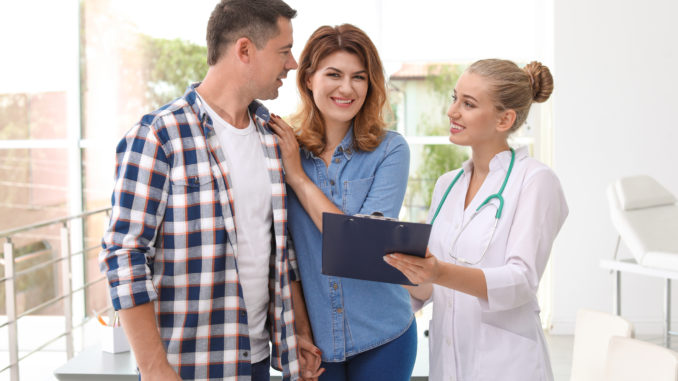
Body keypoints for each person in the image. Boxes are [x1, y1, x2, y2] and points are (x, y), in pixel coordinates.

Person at [99, 1, 323, 380]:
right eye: (284, 51)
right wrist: (155, 369)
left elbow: (280, 252)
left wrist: (297, 331)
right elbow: (124, 256)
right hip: (184, 369)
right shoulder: (159, 136)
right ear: (244, 50)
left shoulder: (272, 137)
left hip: (255, 363)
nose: (293, 64)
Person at [385, 59, 568, 381]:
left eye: (468, 104)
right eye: (455, 98)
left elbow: (521, 281)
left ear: (505, 119)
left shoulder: (536, 180)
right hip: (449, 362)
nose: (452, 112)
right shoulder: (447, 184)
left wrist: (439, 271)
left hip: (507, 366)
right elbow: (429, 289)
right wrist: (401, 266)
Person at [268, 24, 416, 381]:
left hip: (384, 334)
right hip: (315, 343)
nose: (347, 88)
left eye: (359, 77)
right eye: (333, 74)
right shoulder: (280, 147)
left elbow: (361, 246)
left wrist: (299, 180)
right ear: (307, 79)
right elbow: (281, 256)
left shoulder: (390, 150)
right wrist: (298, 331)